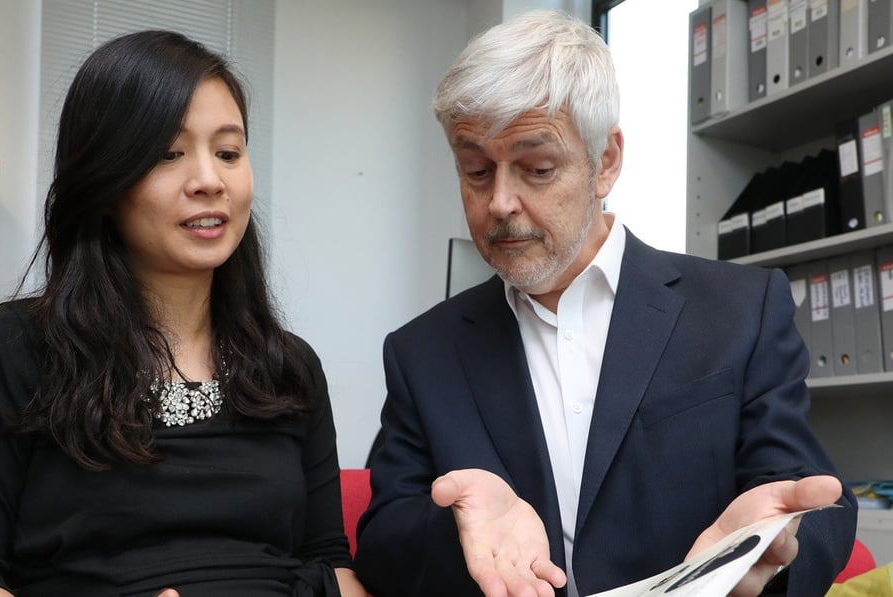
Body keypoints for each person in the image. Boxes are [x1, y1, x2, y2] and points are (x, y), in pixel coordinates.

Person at [354, 9, 856, 597]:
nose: (500, 203)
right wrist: (460, 530)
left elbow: (807, 499)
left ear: (606, 162)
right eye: (477, 170)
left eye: (538, 168)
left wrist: (767, 549)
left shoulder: (741, 310)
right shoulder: (422, 352)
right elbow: (383, 543)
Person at [0, 30, 366, 597]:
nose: (209, 181)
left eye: (228, 153)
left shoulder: (289, 366)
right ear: (103, 183)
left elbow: (329, 563)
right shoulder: (13, 349)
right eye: (168, 154)